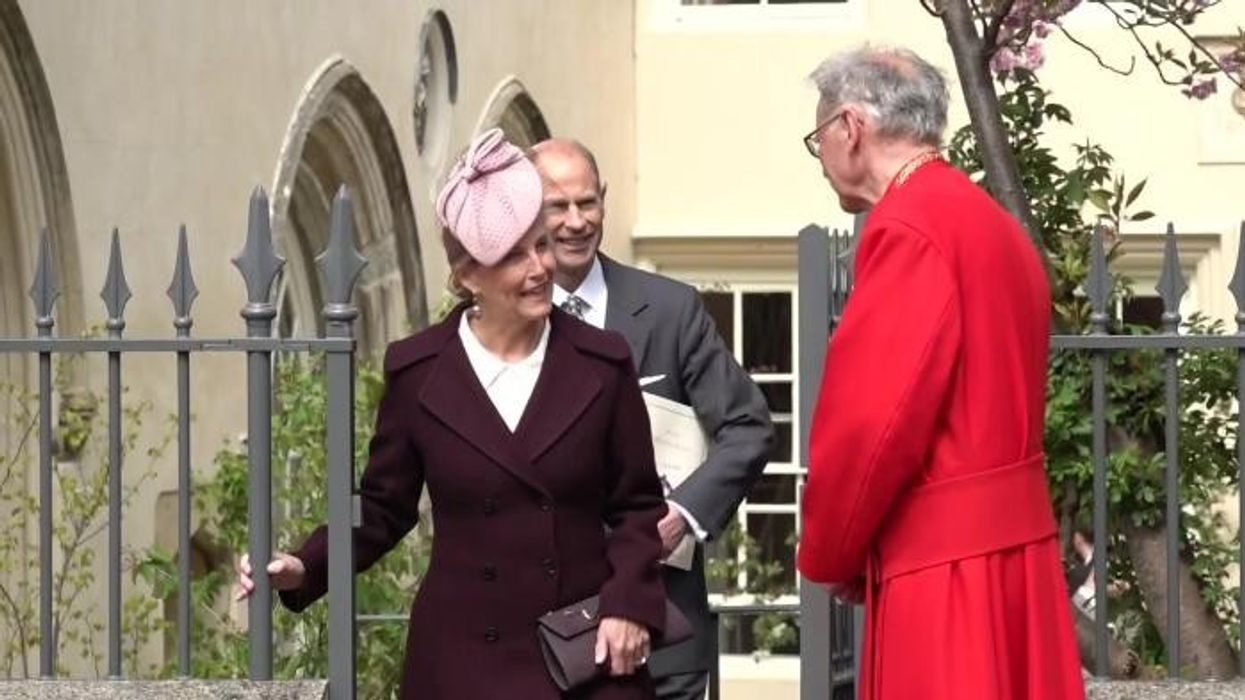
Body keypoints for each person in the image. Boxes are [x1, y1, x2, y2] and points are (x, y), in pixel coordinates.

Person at [236, 128, 669, 700]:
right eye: (514, 255)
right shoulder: (418, 371)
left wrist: (629, 606)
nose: (540, 267)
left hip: (583, 655)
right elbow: (384, 509)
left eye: (540, 244)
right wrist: (303, 565)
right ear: (468, 276)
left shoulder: (603, 360)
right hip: (463, 663)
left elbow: (638, 508)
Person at [795, 46, 1086, 699]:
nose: (820, 159)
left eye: (817, 138)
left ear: (850, 127)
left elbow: (870, 427)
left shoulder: (908, 225)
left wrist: (833, 549)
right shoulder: (994, 227)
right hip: (1019, 562)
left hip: (945, 573)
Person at [529, 138, 773, 700]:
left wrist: (682, 514)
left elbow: (748, 428)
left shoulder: (670, 309)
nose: (575, 222)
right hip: (542, 639)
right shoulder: (501, 317)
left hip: (662, 632)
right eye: (556, 206)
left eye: (587, 203)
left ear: (605, 201)